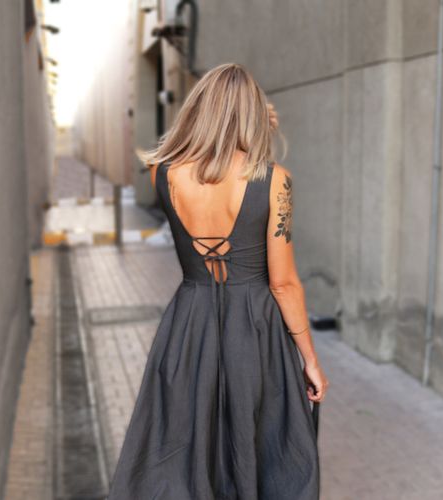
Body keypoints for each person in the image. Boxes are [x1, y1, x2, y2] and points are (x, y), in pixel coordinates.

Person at [106, 62, 328, 500]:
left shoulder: (164, 173)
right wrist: (310, 360)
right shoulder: (274, 180)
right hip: (257, 329)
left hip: (189, 325)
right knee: (259, 444)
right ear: (252, 114)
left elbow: (208, 158)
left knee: (191, 448)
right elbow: (283, 284)